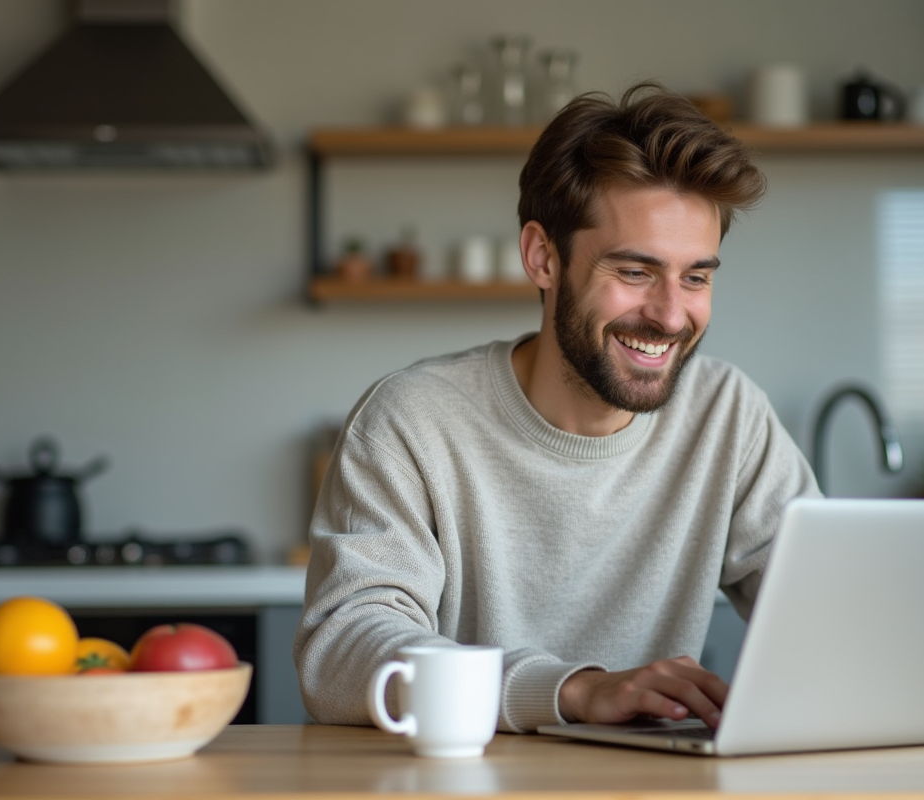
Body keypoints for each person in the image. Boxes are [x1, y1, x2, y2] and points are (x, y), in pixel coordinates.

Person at [293, 82, 820, 734]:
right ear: (543, 257)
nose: (671, 314)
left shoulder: (727, 414)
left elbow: (820, 602)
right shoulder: (412, 420)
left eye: (697, 277)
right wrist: (572, 692)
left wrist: (893, 665)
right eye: (634, 272)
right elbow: (344, 650)